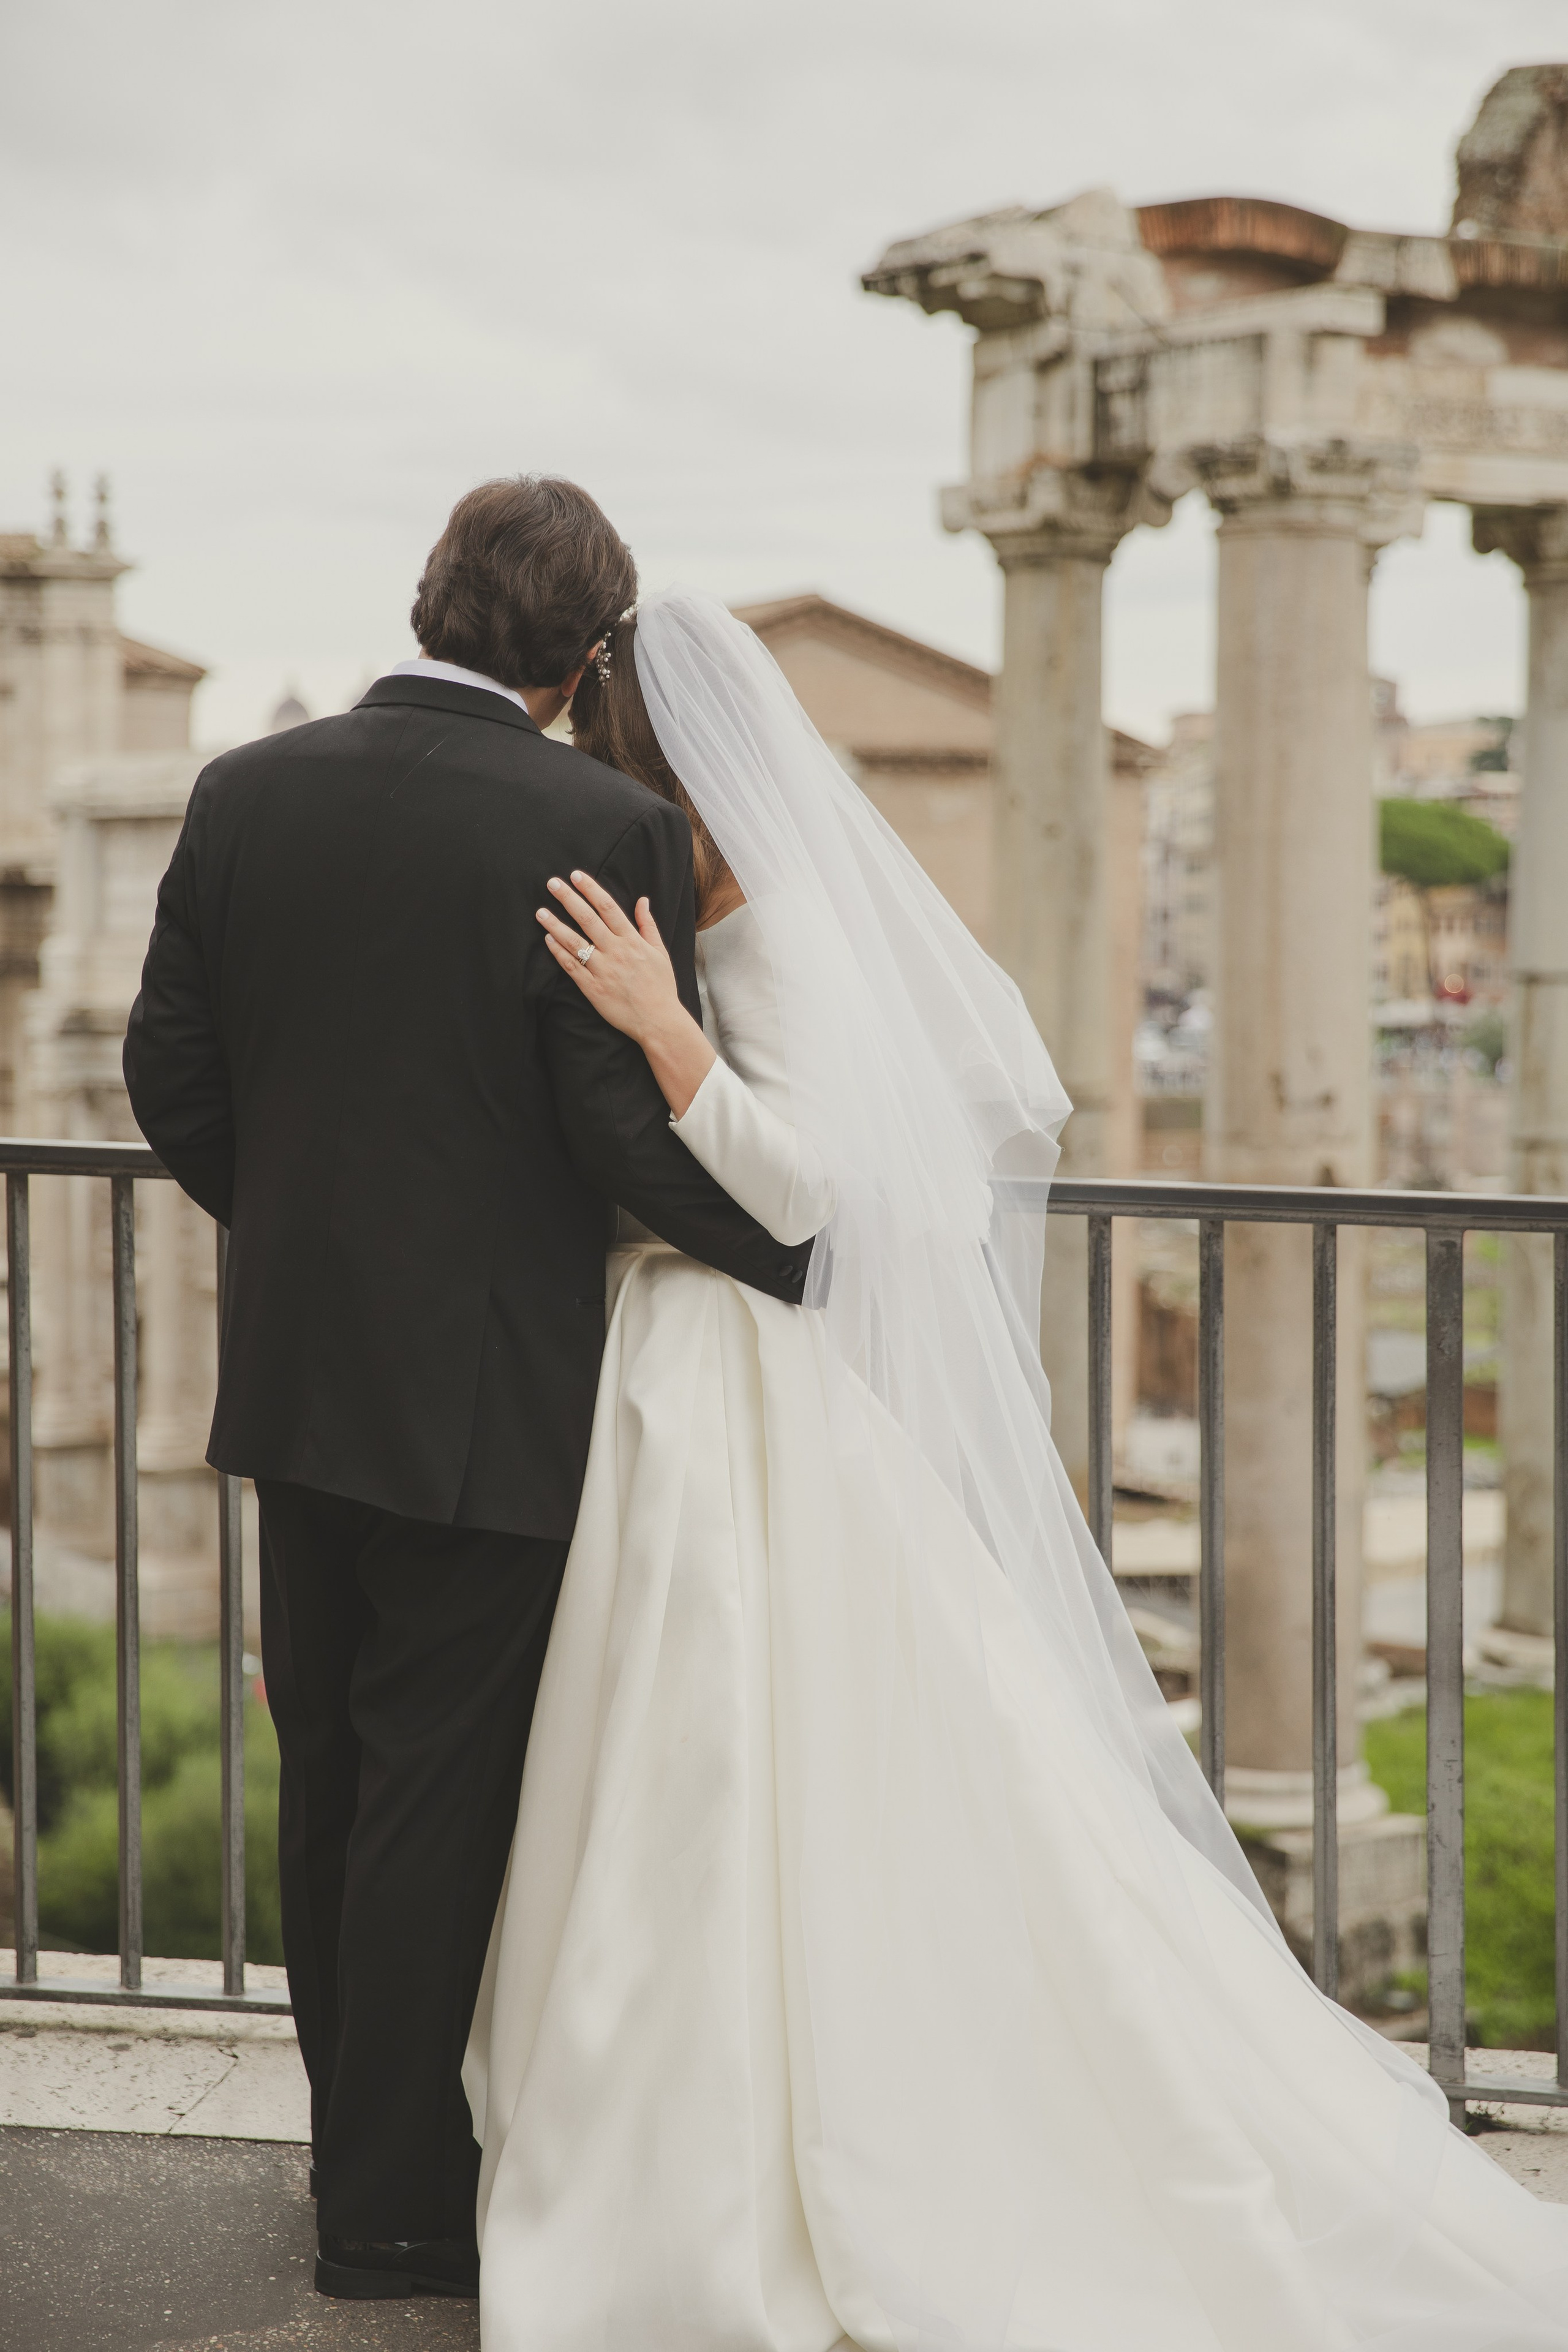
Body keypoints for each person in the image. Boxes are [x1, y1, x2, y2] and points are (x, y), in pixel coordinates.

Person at [466, 586, 1568, 2350]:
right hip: (690, 1366)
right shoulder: (733, 899)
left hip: (737, 1371)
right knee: (701, 1774)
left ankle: (724, 2168)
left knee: (736, 1765)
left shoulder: (767, 938)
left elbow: (816, 1189)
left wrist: (666, 1031)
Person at [121, 484, 815, 2302]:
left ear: (424, 602)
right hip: (494, 1394)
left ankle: (354, 2157)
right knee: (438, 1795)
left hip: (296, 1376)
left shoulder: (243, 790)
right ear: (589, 658)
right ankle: (397, 2213)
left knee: (331, 1775)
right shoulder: (604, 823)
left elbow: (171, 1078)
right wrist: (793, 1252)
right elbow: (613, 1122)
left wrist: (303, 1242)